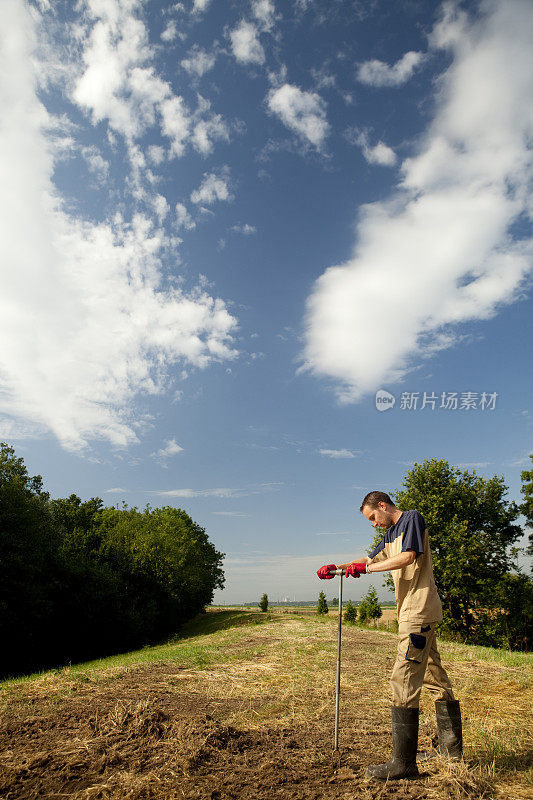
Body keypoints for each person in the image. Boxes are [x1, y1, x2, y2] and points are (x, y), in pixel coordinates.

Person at [317, 490, 462, 780]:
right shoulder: (393, 533)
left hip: (417, 612)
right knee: (434, 677)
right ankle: (452, 751)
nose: (373, 523)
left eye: (373, 517)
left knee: (403, 678)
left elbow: (408, 557)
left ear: (382, 506)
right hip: (418, 613)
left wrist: (367, 569)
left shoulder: (411, 519)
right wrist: (339, 567)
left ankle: (403, 763)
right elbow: (371, 558)